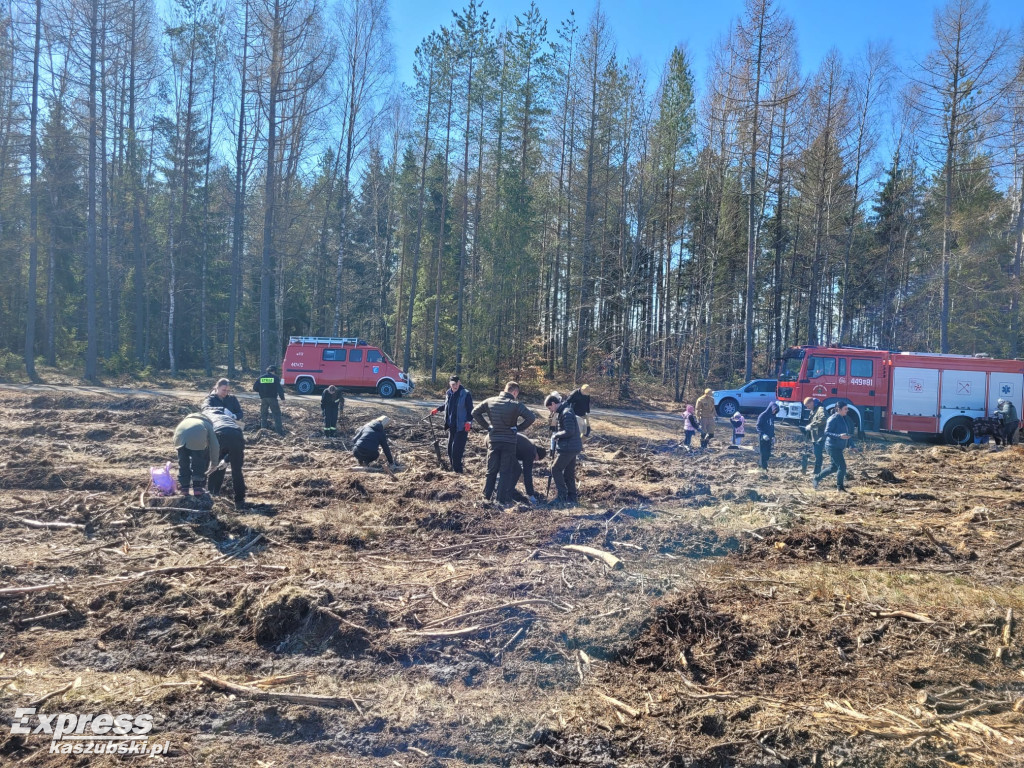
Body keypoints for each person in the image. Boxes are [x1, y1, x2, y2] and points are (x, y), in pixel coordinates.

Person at [471, 381, 536, 504]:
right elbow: (531, 417)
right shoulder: (516, 405)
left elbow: (474, 412)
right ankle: (500, 501)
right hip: (509, 442)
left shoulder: (490, 401)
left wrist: (487, 426)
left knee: (491, 470)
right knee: (505, 472)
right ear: (515, 392)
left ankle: (486, 498)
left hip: (494, 440)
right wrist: (518, 428)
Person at [203, 405, 248, 509]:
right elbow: (234, 437)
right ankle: (239, 501)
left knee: (213, 465)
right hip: (237, 433)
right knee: (237, 471)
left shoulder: (204, 416)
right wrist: (227, 459)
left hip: (218, 434)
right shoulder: (226, 416)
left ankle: (211, 494)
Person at [431, 375, 473, 473]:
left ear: (459, 383)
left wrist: (469, 422)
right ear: (450, 384)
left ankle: (458, 472)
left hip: (462, 427)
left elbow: (471, 410)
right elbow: (446, 405)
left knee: (456, 452)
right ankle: (453, 469)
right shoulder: (449, 393)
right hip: (452, 426)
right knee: (449, 450)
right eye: (453, 384)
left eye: (457, 383)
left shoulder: (465, 394)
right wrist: (437, 409)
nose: (455, 386)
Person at [546, 393, 582, 507]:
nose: (550, 411)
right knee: (568, 474)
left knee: (555, 469)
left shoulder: (566, 413)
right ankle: (572, 498)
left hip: (568, 447)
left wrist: (556, 435)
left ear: (553, 404)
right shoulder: (564, 411)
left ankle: (561, 496)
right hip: (572, 447)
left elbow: (569, 431)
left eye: (550, 408)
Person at [172, 412, 219, 498]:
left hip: (180, 437)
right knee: (198, 462)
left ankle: (184, 488)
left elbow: (175, 436)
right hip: (198, 437)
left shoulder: (185, 421)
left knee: (183, 463)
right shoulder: (207, 424)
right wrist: (214, 463)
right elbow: (214, 445)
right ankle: (197, 487)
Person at [813, 400, 855, 491]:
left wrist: (852, 446)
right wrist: (839, 436)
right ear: (838, 409)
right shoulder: (833, 419)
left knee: (833, 468)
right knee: (842, 467)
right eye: (845, 409)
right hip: (832, 447)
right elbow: (826, 432)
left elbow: (848, 434)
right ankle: (840, 488)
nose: (847, 410)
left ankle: (816, 478)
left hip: (839, 447)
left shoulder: (845, 418)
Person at [508, 435, 547, 505]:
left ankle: (505, 489)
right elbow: (527, 474)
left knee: (513, 468)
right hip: (505, 445)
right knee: (517, 470)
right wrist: (531, 494)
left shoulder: (529, 444)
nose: (534, 461)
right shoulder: (531, 451)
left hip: (497, 440)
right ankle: (507, 492)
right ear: (537, 454)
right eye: (536, 459)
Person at [253, 365, 285, 434]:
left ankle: (263, 432)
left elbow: (255, 388)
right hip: (273, 398)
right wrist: (282, 398)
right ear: (274, 371)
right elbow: (279, 389)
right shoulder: (275, 378)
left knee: (263, 415)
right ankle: (279, 432)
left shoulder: (261, 378)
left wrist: (261, 391)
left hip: (263, 399)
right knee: (276, 415)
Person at [804, 396, 827, 475]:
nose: (807, 408)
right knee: (816, 454)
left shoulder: (820, 409)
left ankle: (817, 472)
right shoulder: (814, 409)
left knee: (818, 454)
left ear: (812, 403)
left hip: (820, 436)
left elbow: (823, 419)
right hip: (815, 436)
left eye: (808, 406)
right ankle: (816, 471)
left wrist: (812, 425)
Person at [755, 401, 780, 472]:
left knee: (768, 454)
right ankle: (763, 468)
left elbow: (771, 427)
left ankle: (762, 466)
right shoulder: (763, 415)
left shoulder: (772, 416)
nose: (774, 412)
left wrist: (773, 436)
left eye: (776, 411)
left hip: (769, 438)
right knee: (763, 453)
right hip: (763, 438)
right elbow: (758, 426)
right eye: (774, 410)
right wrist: (763, 434)